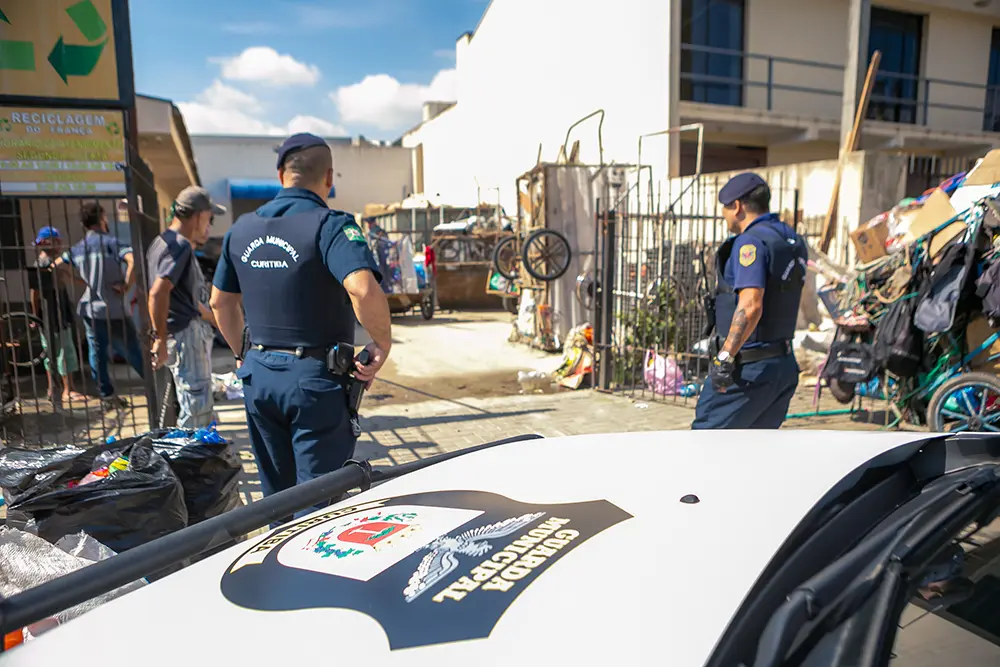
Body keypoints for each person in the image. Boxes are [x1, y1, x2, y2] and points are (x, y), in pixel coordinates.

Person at [210, 132, 391, 515]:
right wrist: (381, 343)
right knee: (317, 504)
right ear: (329, 178)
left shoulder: (239, 229)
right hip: (314, 384)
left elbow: (219, 302)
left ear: (280, 175)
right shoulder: (330, 225)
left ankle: (276, 566)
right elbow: (362, 289)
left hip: (259, 379)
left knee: (276, 499)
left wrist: (243, 354)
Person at [692, 172, 808, 430]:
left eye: (724, 208)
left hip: (749, 371)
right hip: (782, 365)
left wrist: (724, 358)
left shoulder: (750, 242)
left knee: (706, 444)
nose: (724, 214)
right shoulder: (791, 239)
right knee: (755, 454)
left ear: (737, 206)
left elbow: (751, 304)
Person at [147, 186, 225, 428]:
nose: (209, 226)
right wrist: (159, 338)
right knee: (196, 407)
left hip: (183, 333)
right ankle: (187, 461)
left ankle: (196, 456)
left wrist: (212, 318)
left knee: (195, 403)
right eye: (209, 219)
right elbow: (158, 292)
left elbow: (182, 297)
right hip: (185, 336)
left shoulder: (163, 242)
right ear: (198, 215)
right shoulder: (178, 245)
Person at [58, 202, 145, 409]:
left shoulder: (78, 248)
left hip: (89, 308)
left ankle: (106, 395)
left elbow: (56, 266)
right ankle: (155, 386)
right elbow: (133, 261)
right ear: (102, 218)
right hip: (113, 308)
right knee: (133, 350)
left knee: (97, 353)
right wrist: (126, 285)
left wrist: (77, 281)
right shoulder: (112, 243)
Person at [29, 227, 88, 406]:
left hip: (52, 313)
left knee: (52, 352)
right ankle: (67, 390)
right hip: (54, 314)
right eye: (57, 240)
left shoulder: (51, 264)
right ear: (48, 242)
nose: (61, 244)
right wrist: (34, 314)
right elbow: (35, 293)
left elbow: (67, 280)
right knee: (64, 351)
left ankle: (53, 389)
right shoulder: (44, 265)